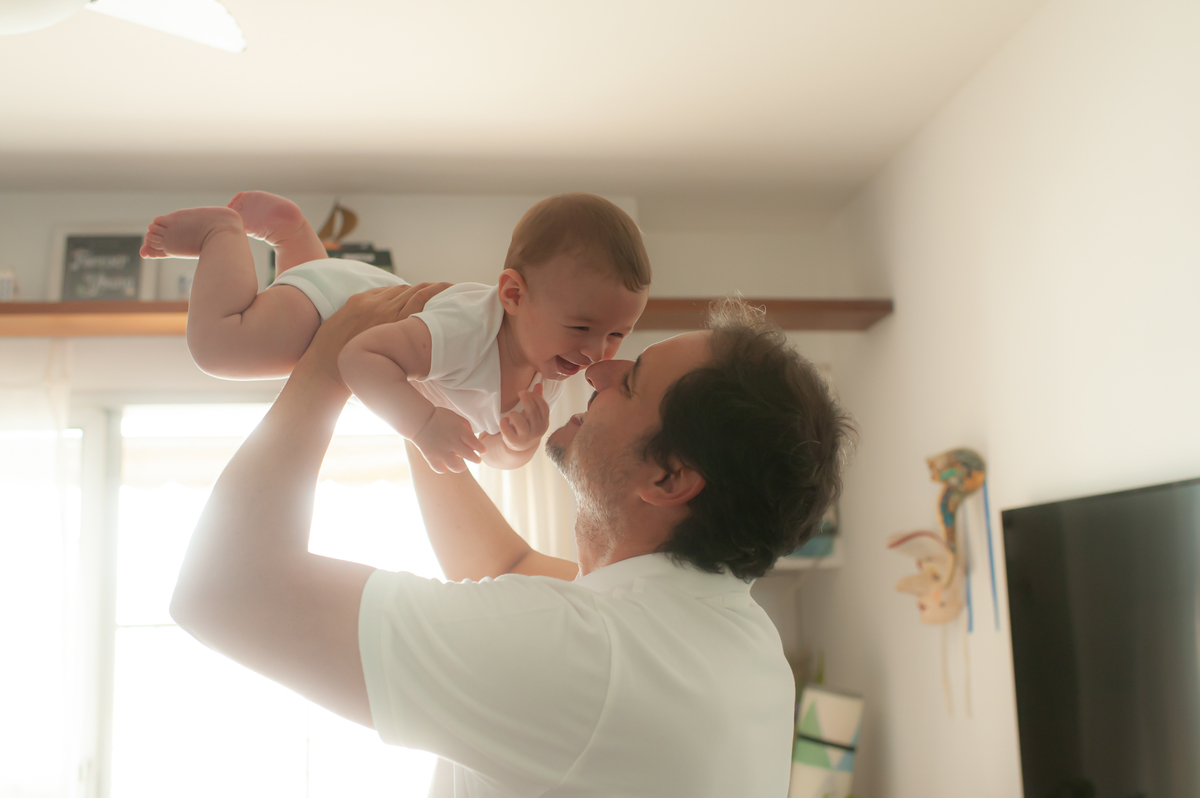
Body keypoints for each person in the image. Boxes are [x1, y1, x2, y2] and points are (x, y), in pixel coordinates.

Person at [169, 286, 851, 797]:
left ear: (669, 477)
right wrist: (417, 405)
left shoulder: (593, 658)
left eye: (632, 380)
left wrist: (331, 364)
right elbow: (504, 568)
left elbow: (224, 593)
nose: (599, 372)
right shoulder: (732, 639)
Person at [140, 191, 649, 471]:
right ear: (513, 296)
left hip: (357, 294)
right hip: (336, 306)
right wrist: (423, 424)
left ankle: (293, 236)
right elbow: (359, 357)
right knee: (222, 348)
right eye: (582, 326)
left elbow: (485, 450)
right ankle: (221, 234)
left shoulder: (548, 365)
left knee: (300, 348)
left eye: (617, 335)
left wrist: (520, 444)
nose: (595, 351)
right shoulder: (470, 330)